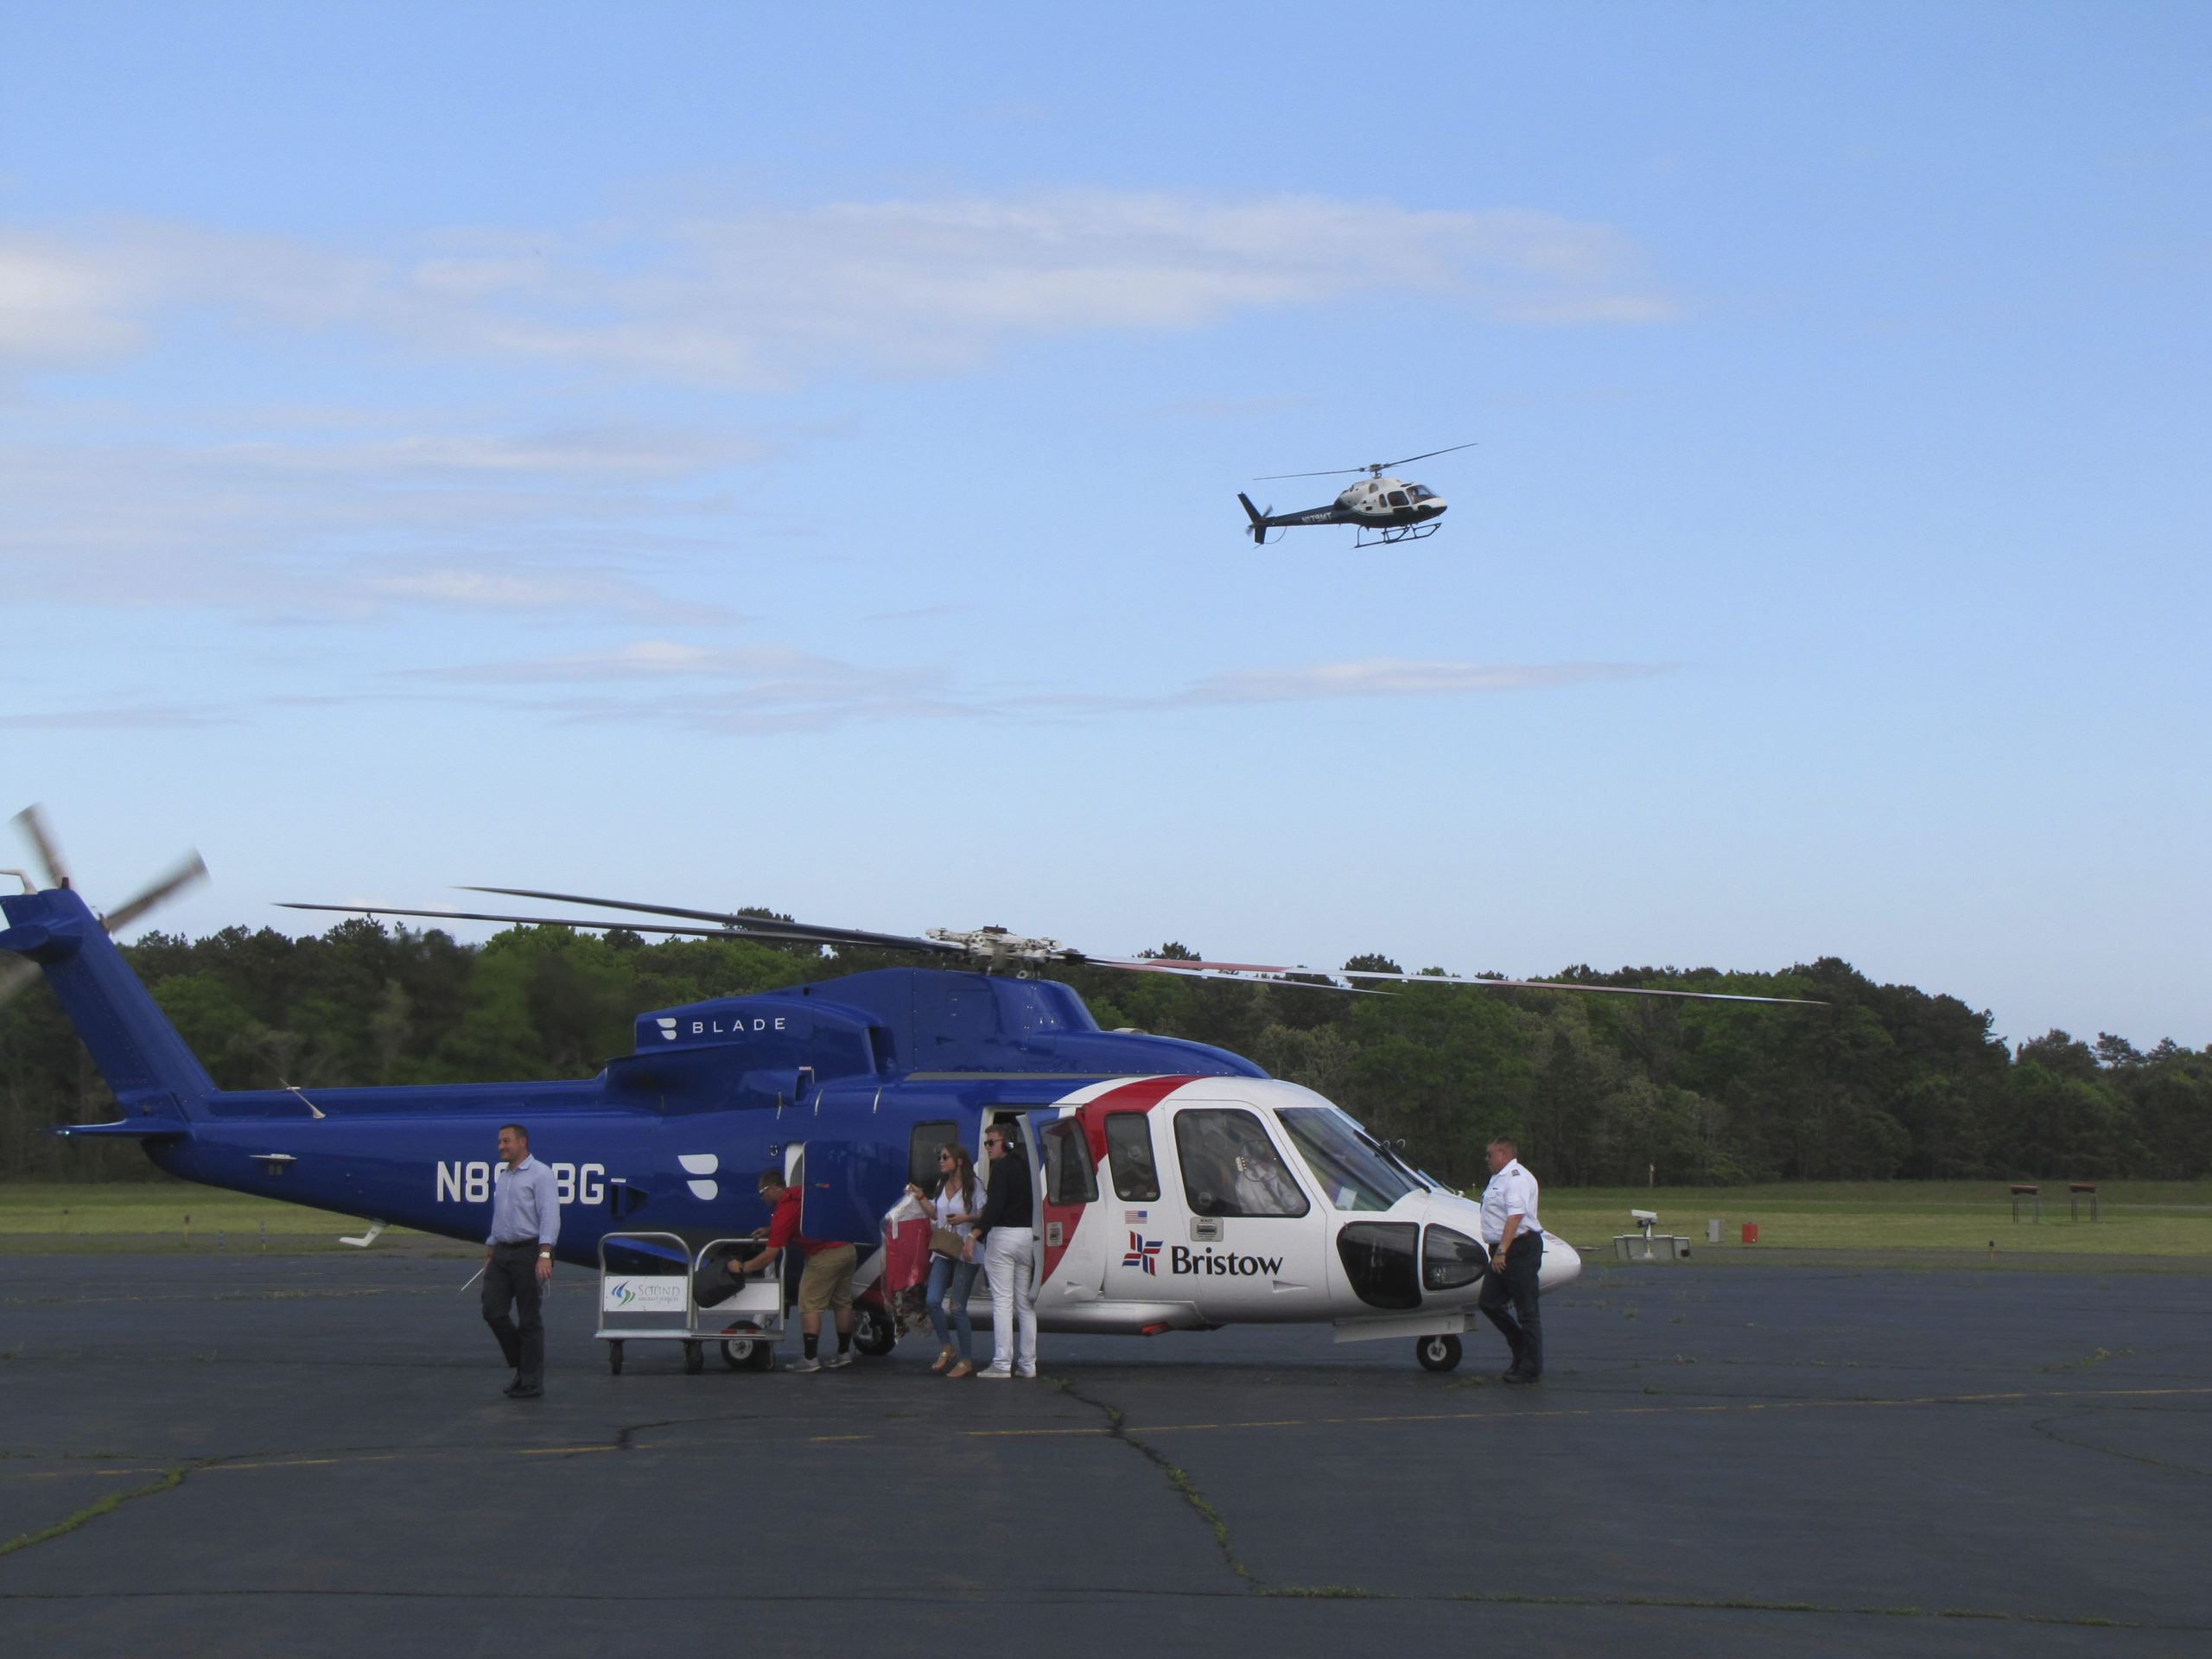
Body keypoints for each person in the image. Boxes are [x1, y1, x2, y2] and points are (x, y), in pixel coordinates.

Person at [740, 1167, 856, 1374]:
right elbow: (802, 1222)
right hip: (847, 1248)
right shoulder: (804, 1194)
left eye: (762, 1192)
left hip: (824, 1255)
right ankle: (843, 1353)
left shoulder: (785, 1210)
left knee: (809, 1305)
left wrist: (742, 1267)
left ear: (774, 1188)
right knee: (843, 1303)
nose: (762, 1197)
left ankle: (810, 1359)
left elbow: (769, 1256)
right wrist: (771, 1230)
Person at [482, 1122, 559, 1399]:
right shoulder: (505, 1177)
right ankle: (522, 1363)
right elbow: (499, 1217)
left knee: (529, 1319)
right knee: (493, 1310)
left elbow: (550, 1216)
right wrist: (491, 1251)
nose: (501, 1146)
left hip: (528, 1252)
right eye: (500, 1142)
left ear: (522, 1142)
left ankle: (530, 1380)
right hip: (502, 1251)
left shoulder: (541, 1175)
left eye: (506, 1141)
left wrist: (545, 1255)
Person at [906, 1142, 985, 1378]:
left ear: (959, 1161)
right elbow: (934, 1214)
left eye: (945, 1157)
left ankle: (966, 1359)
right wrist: (919, 1195)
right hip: (942, 1248)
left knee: (957, 1306)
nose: (941, 1161)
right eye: (940, 1157)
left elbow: (985, 1213)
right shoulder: (942, 1184)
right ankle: (947, 1347)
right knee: (932, 1301)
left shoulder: (974, 1185)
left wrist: (965, 1218)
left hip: (965, 1250)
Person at [965, 1122, 1036, 1379]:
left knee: (1003, 1302)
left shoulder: (1001, 1170)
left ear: (1006, 1143)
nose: (987, 1147)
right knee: (1024, 1303)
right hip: (1026, 1236)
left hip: (1004, 1236)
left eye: (991, 1142)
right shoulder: (1024, 1167)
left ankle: (1002, 1362)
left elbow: (994, 1207)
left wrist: (975, 1233)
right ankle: (1028, 1364)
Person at [1476, 1135, 1547, 1384]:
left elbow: (1515, 1216)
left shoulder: (1516, 1178)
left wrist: (1502, 1251)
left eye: (1490, 1154)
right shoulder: (1499, 1178)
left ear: (1504, 1154)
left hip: (1518, 1248)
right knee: (1489, 1302)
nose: (1487, 1159)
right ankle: (1520, 1347)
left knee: (1526, 1309)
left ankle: (1530, 1366)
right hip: (1502, 1247)